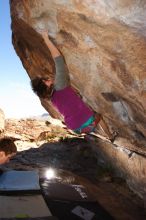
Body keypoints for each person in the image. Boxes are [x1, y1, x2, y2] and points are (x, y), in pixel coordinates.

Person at [31, 31, 117, 142]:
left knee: (86, 118)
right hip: (86, 123)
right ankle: (111, 136)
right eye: (45, 80)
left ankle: (91, 133)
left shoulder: (52, 98)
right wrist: (46, 39)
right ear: (46, 85)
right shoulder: (60, 84)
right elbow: (58, 59)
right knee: (98, 117)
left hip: (75, 129)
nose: (48, 78)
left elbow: (69, 101)